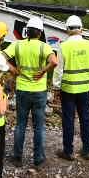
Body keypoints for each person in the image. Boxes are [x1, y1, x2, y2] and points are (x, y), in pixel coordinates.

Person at [6, 19, 59, 169]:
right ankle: (38, 159)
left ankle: (17, 157)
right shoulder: (44, 47)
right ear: (40, 32)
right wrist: (43, 71)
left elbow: (1, 57)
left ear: (26, 31)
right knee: (39, 126)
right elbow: (54, 62)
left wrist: (13, 70)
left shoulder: (17, 45)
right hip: (39, 92)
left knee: (20, 124)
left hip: (22, 90)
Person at [56, 15, 89, 161]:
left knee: (68, 120)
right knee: (86, 119)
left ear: (67, 29)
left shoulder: (63, 46)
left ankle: (68, 151)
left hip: (68, 90)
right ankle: (87, 150)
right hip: (86, 90)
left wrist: (56, 88)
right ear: (81, 29)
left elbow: (59, 71)